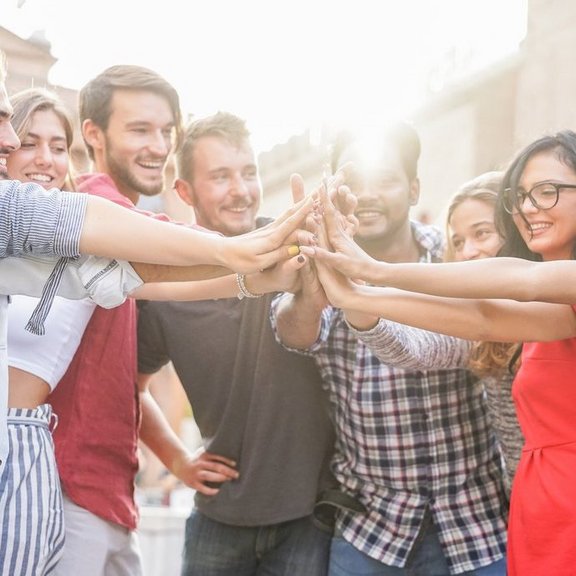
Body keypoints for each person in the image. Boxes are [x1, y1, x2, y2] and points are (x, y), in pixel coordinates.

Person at [0, 51, 314, 576]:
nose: (158, 145)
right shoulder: (79, 207)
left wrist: (264, 271)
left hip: (92, 483)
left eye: (166, 129)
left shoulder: (72, 251)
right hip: (62, 475)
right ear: (95, 134)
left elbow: (137, 275)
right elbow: (115, 236)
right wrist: (238, 252)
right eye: (140, 129)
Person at [305, 130, 576, 575]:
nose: (530, 207)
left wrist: (373, 271)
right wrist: (356, 295)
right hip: (539, 506)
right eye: (523, 195)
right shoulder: (547, 313)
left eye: (548, 192)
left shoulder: (539, 285)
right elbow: (479, 320)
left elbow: (520, 282)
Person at [271, 124, 508, 575]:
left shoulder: (456, 256)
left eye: (385, 181)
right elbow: (294, 334)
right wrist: (312, 292)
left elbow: (428, 345)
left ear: (414, 189)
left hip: (479, 523)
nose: (368, 195)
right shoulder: (316, 258)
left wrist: (358, 293)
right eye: (354, 183)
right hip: (372, 529)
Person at [137, 111, 335, 576]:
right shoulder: (168, 284)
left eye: (248, 173)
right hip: (217, 519)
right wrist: (178, 460)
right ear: (185, 192)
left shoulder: (297, 248)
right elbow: (131, 385)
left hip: (309, 518)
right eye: (221, 177)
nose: (241, 190)